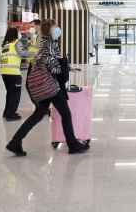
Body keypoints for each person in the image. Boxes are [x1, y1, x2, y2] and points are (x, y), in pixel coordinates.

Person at [6, 19, 88, 156]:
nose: (58, 30)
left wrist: (65, 66)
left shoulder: (43, 42)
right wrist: (62, 66)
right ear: (50, 30)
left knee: (38, 114)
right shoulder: (48, 43)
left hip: (41, 85)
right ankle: (73, 144)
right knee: (65, 114)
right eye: (56, 27)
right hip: (49, 85)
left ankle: (15, 142)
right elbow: (52, 67)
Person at [0, 27, 29, 121]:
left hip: (4, 73)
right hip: (14, 73)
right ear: (16, 35)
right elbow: (25, 55)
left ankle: (7, 111)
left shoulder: (5, 45)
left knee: (10, 93)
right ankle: (10, 114)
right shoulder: (17, 43)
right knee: (15, 94)